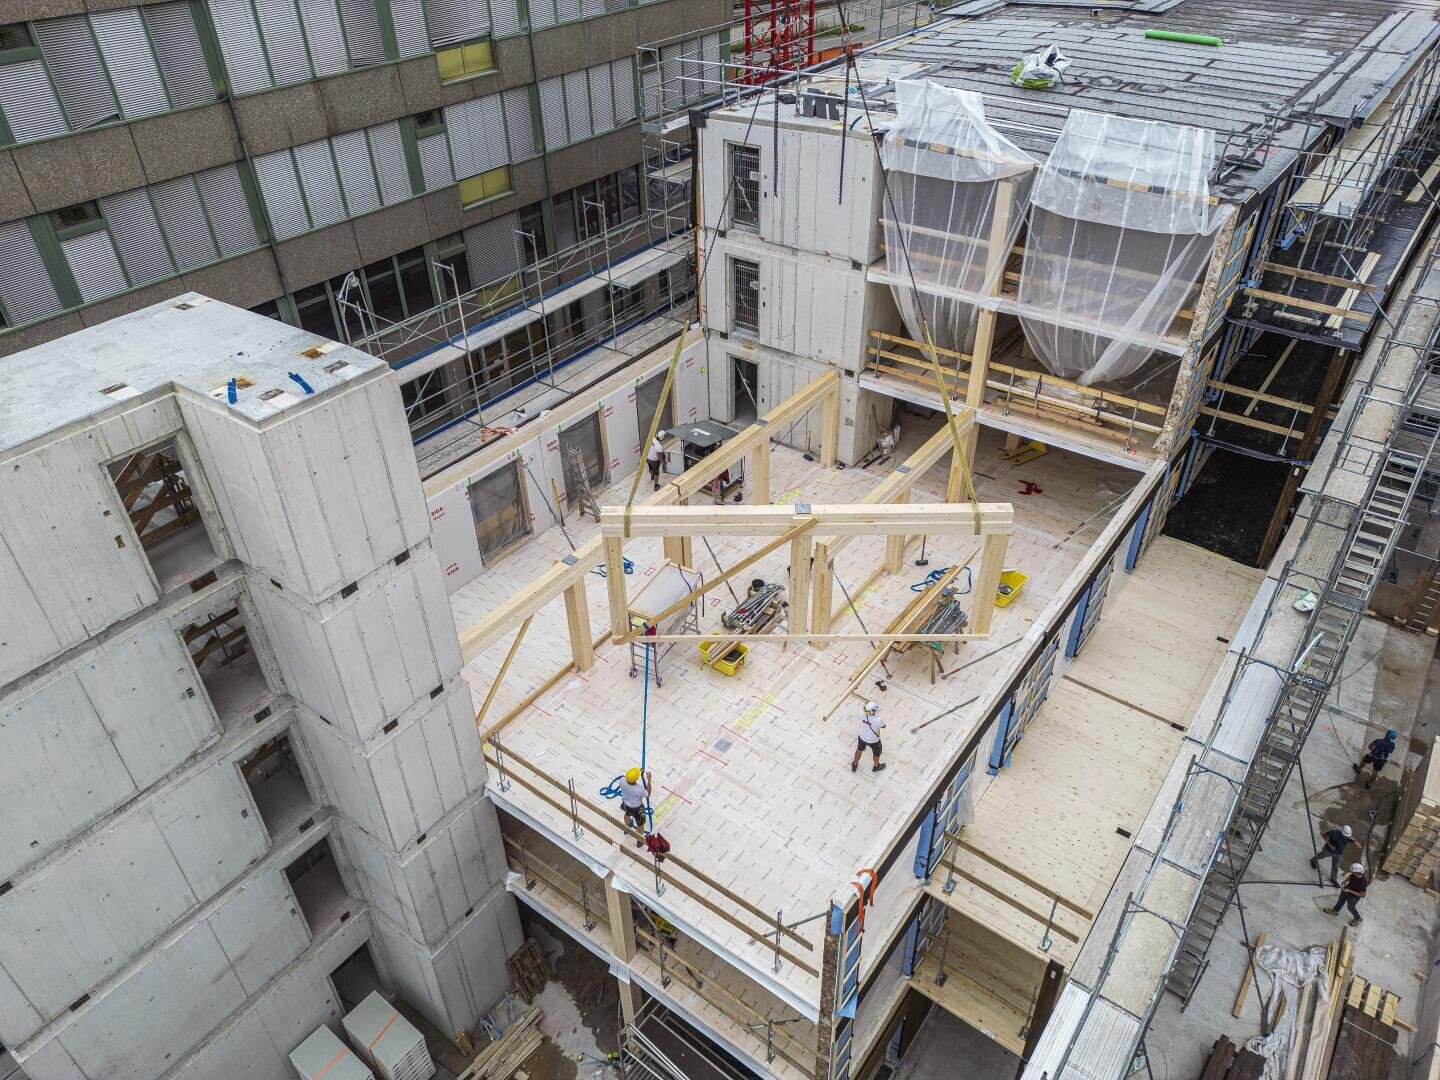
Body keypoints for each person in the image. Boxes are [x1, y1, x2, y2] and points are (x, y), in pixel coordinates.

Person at [618, 767, 652, 845]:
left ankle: (626, 828)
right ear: (637, 779)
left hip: (626, 804)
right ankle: (640, 841)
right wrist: (649, 780)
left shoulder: (622, 780)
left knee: (627, 814)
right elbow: (648, 793)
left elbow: (630, 777)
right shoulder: (639, 790)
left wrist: (639, 771)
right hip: (637, 809)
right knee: (640, 824)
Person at [851, 701, 886, 774]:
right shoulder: (878, 719)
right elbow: (883, 726)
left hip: (862, 737)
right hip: (874, 741)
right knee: (876, 754)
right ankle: (876, 767)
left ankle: (854, 764)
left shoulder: (861, 713)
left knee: (859, 750)